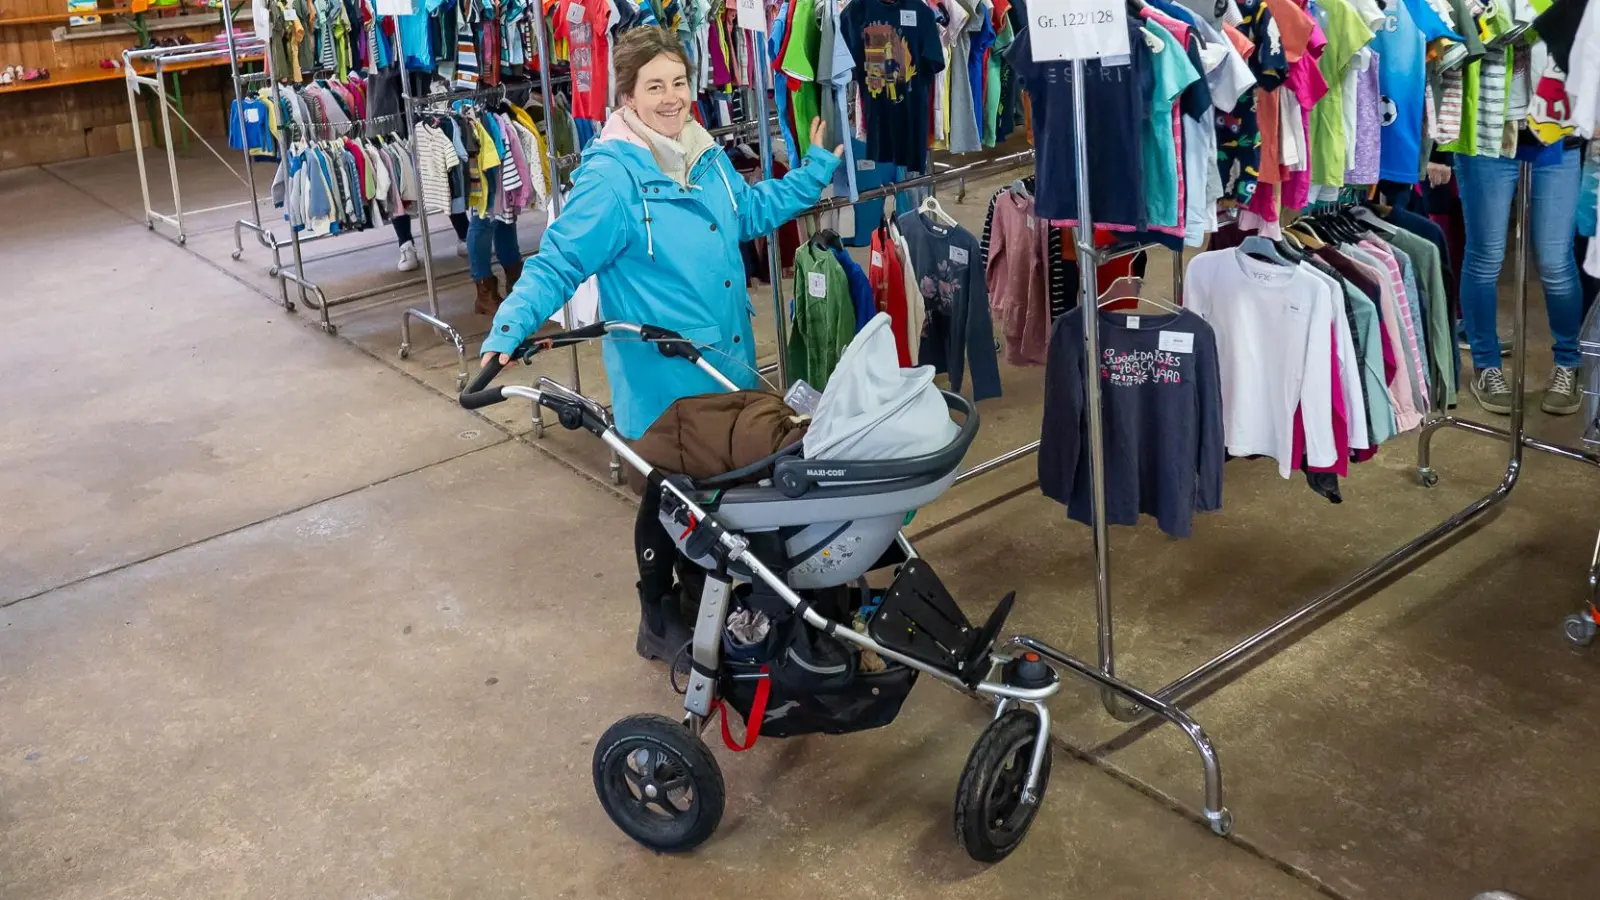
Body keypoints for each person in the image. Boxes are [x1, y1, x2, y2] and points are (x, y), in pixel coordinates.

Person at [477, 26, 842, 661]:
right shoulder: (614, 178)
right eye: (655, 86)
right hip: (664, 374)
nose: (672, 98)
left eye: (679, 82)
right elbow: (559, 261)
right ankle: (657, 612)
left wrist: (813, 174)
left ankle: (713, 611)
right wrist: (509, 329)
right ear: (629, 94)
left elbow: (749, 214)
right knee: (671, 487)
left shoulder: (704, 153)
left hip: (723, 362)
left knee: (715, 496)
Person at [1455, 134, 1586, 417]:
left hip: (1558, 135)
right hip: (1487, 134)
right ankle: (1486, 364)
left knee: (1555, 262)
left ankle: (1568, 363)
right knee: (1484, 258)